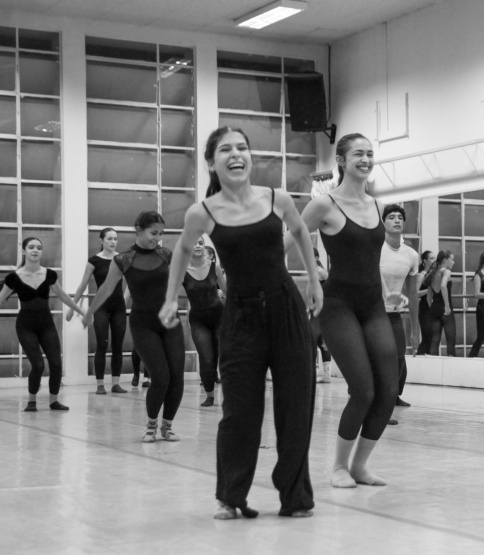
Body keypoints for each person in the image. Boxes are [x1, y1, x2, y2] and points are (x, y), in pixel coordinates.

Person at [161, 126, 321, 519]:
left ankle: (295, 497)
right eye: (226, 150)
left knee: (296, 406)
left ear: (250, 156)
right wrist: (170, 298)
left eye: (242, 148)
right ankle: (231, 496)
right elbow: (182, 250)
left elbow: (301, 232)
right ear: (211, 162)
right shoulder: (202, 212)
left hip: (286, 309)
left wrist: (314, 281)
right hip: (240, 316)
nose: (236, 154)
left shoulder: (277, 198)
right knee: (240, 410)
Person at [300, 132, 399, 489]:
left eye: (370, 153)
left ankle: (359, 466)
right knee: (363, 390)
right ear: (341, 160)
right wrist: (313, 274)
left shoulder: (377, 205)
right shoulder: (324, 205)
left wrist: (388, 290)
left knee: (388, 390)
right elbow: (291, 237)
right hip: (338, 306)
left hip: (373, 306)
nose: (366, 159)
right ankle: (339, 466)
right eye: (358, 153)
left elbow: (371, 258)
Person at [84, 212, 185, 442]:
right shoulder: (123, 259)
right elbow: (107, 289)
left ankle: (167, 426)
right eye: (153, 233)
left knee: (176, 376)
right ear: (138, 230)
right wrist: (90, 312)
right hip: (143, 325)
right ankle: (151, 425)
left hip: (170, 321)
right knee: (160, 376)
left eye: (161, 234)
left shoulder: (166, 255)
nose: (157, 238)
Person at [1, 238, 83, 411]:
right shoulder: (13, 278)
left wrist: (82, 311)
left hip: (46, 325)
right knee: (38, 365)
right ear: (23, 251)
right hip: (26, 326)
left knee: (56, 364)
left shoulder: (50, 274)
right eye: (31, 247)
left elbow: (62, 295)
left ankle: (54, 401)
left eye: (39, 248)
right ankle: (31, 401)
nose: (35, 250)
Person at [68, 228, 128, 394]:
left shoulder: (122, 259)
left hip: (118, 306)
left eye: (115, 239)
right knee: (102, 343)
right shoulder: (94, 260)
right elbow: (82, 285)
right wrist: (72, 307)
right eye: (109, 239)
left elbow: (132, 281)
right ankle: (100, 384)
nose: (113, 242)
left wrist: (126, 298)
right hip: (101, 306)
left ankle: (115, 383)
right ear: (102, 241)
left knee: (118, 344)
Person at [378, 203, 420, 416]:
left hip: (394, 314)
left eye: (400, 218)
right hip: (373, 313)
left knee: (398, 357)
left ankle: (391, 396)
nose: (396, 220)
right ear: (383, 223)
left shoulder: (411, 255)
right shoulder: (375, 250)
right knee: (378, 357)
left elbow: (412, 294)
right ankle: (373, 400)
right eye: (391, 217)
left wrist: (415, 330)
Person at [182, 237, 227, 407]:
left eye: (200, 243)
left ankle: (231, 395)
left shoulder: (214, 267)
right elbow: (169, 292)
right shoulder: (182, 270)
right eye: (194, 242)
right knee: (207, 358)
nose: (198, 246)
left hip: (219, 316)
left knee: (225, 355)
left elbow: (226, 291)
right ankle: (209, 395)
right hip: (198, 320)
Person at [425, 250, 457, 357]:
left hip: (434, 310)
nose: (453, 262)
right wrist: (447, 306)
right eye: (452, 259)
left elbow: (429, 298)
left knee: (434, 341)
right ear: (445, 260)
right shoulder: (446, 272)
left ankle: (433, 365)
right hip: (445, 311)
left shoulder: (432, 273)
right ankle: (451, 366)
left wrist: (433, 309)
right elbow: (443, 285)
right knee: (450, 341)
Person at [311, 248, 333, 383]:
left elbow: (331, 283)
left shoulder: (319, 271)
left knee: (316, 338)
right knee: (318, 340)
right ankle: (324, 375)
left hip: (321, 310)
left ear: (316, 257)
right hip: (315, 309)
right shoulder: (312, 271)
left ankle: (325, 375)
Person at [415, 250, 434, 355]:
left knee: (432, 337)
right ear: (425, 261)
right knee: (427, 337)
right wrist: (428, 290)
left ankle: (428, 358)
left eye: (434, 258)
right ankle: (419, 357)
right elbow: (416, 293)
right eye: (431, 258)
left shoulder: (433, 274)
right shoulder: (421, 275)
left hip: (433, 307)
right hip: (424, 308)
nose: (434, 260)